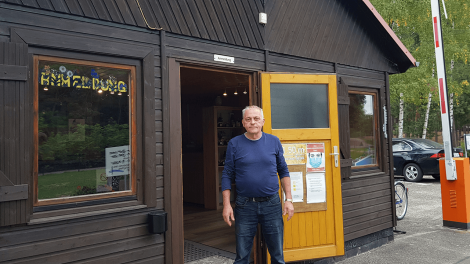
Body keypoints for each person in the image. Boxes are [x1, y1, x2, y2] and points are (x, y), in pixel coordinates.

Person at [221, 105, 294, 264]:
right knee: (242, 257)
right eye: (248, 119)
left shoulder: (274, 141)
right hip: (245, 204)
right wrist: (226, 204)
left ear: (263, 121)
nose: (252, 122)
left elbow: (283, 171)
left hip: (272, 204)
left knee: (277, 256)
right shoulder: (234, 144)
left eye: (256, 119)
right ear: (243, 122)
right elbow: (227, 174)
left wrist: (288, 199)